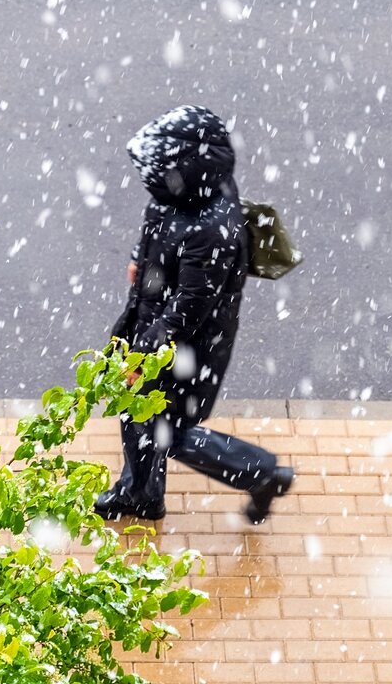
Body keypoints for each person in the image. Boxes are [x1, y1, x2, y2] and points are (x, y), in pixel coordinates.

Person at [96, 105, 295, 524]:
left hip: (186, 349)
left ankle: (261, 473)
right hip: (153, 322)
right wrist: (139, 257)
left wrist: (142, 357)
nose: (149, 179)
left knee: (170, 430)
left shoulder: (209, 228)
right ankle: (141, 493)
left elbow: (188, 310)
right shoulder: (188, 191)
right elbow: (158, 221)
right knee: (140, 412)